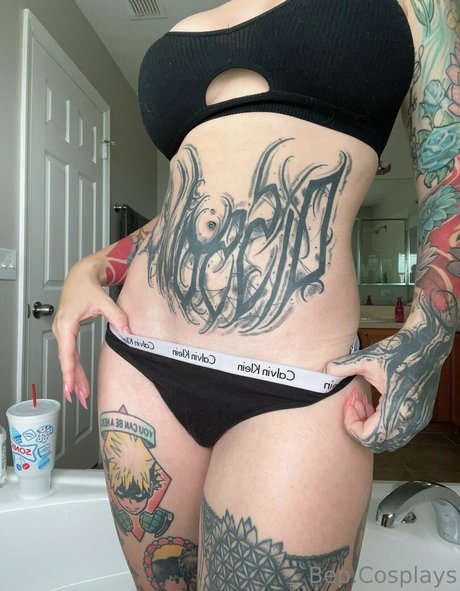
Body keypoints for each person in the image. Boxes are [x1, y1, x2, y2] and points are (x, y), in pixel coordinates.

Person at [53, 1, 459, 589]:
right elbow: (189, 210)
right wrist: (92, 265)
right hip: (142, 361)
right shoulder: (189, 25)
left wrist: (430, 336)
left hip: (300, 385)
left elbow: (449, 182)